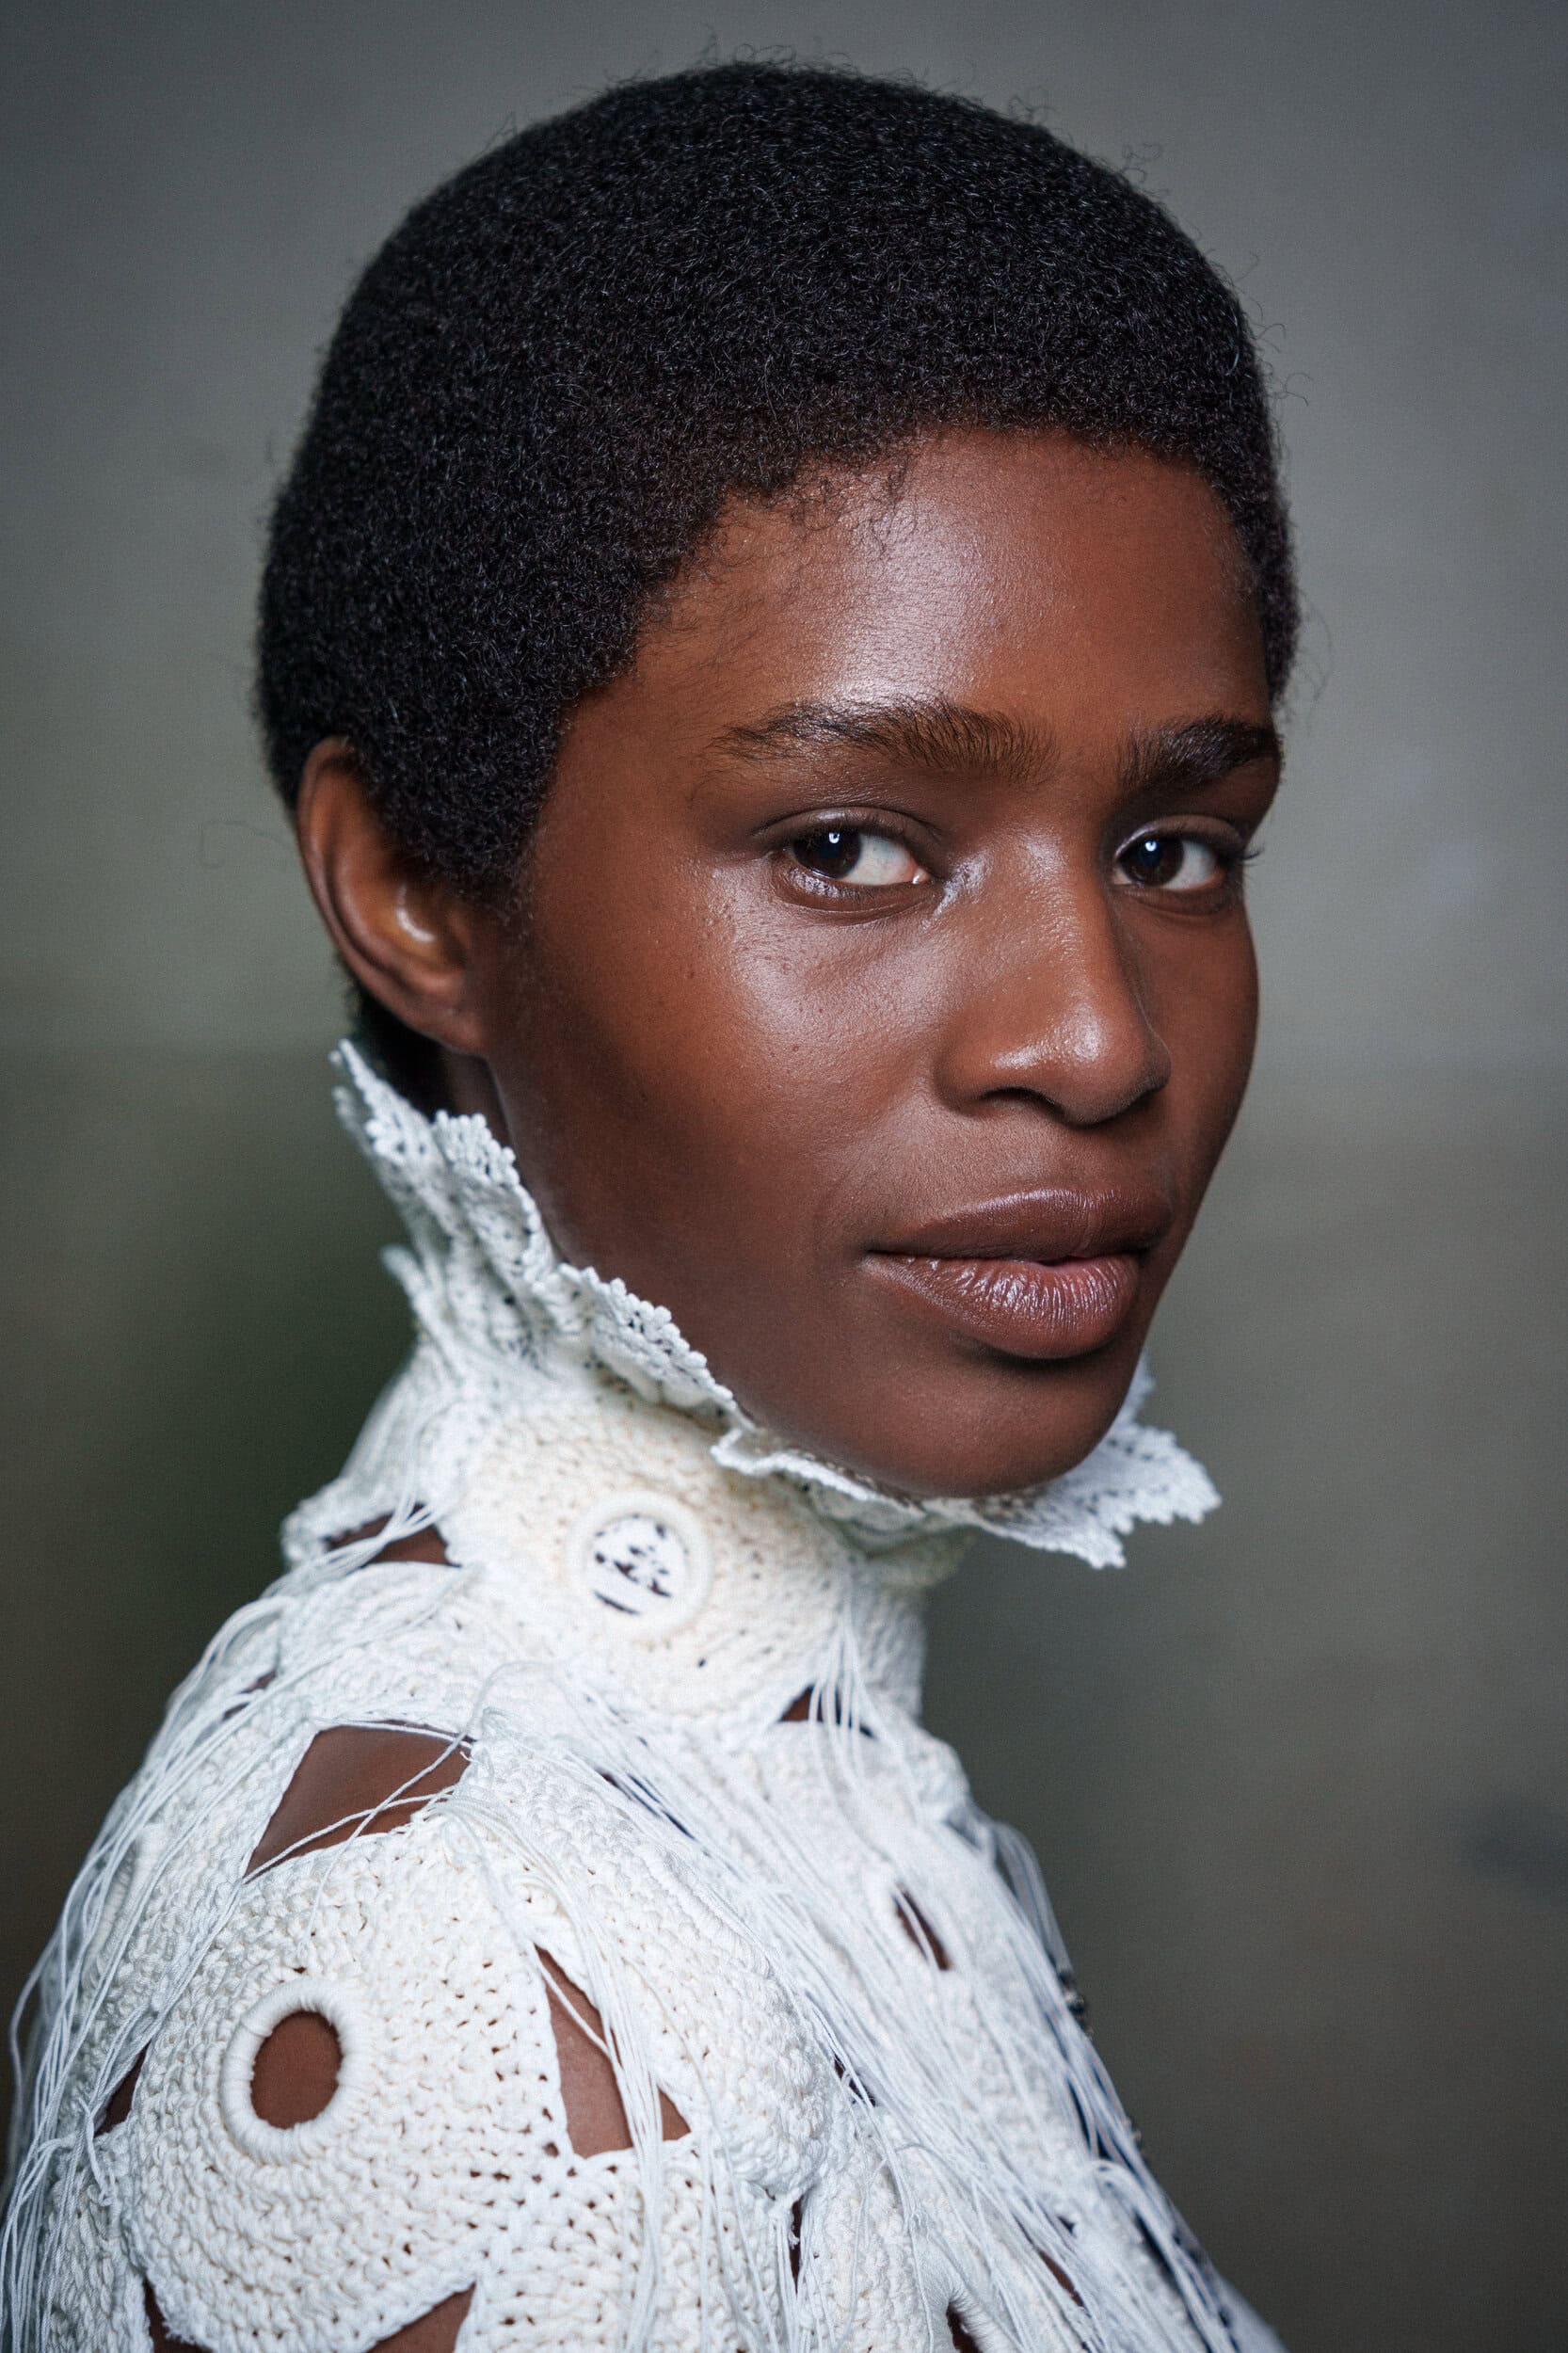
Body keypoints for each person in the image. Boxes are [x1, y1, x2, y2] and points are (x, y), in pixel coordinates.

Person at [3, 59, 1295, 2353]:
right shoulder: (456, 1982)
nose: (1095, 1037)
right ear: (414, 887)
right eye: (849, 846)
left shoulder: (768, 1794)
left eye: (1168, 846)